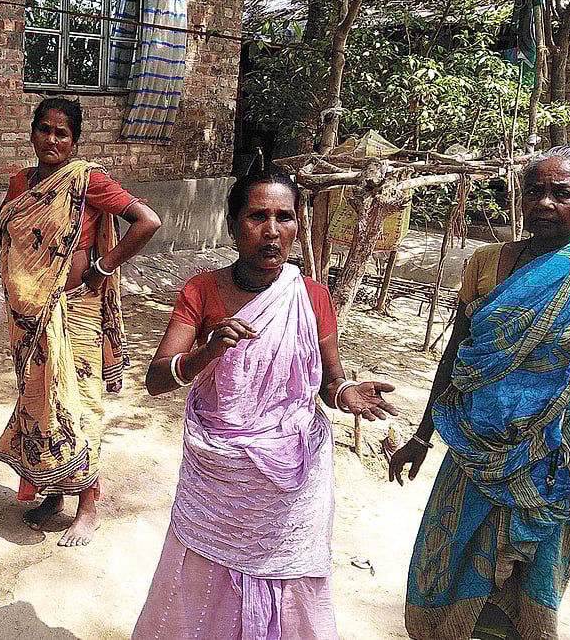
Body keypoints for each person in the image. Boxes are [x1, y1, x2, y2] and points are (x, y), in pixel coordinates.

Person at [388, 146, 570, 640]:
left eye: (562, 193)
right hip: (474, 446)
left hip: (558, 453)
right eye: (534, 191)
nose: (545, 203)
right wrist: (422, 438)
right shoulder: (485, 264)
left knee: (534, 573)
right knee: (449, 561)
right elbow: (454, 359)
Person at [132, 168, 397, 638]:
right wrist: (208, 351)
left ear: (298, 226)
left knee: (287, 579)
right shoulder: (202, 291)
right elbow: (157, 379)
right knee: (203, 578)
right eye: (258, 216)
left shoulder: (311, 295)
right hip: (220, 473)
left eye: (284, 217)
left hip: (292, 477)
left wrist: (345, 394)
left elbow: (328, 381)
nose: (272, 230)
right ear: (233, 225)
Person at [0, 97, 161, 547]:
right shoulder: (20, 184)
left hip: (76, 308)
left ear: (74, 141)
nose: (51, 139)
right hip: (29, 316)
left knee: (78, 407)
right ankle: (54, 495)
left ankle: (88, 506)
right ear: (32, 132)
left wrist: (102, 267)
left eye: (61, 133)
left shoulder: (87, 181)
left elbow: (148, 221)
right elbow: (9, 238)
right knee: (41, 403)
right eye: (44, 129)